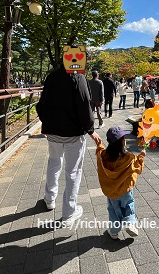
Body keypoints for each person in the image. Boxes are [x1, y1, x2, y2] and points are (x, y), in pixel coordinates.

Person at [36, 57, 102, 223]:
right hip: (73, 134)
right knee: (73, 171)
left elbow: (40, 104)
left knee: (54, 163)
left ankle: (50, 199)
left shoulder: (51, 77)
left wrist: (47, 122)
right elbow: (84, 105)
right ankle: (69, 212)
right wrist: (90, 130)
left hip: (53, 132)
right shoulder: (78, 77)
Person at [95, 126, 146, 239]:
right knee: (128, 206)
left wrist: (98, 144)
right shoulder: (128, 157)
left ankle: (113, 232)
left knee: (113, 210)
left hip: (111, 192)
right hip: (125, 190)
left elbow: (99, 151)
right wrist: (142, 155)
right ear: (123, 141)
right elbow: (138, 168)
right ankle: (129, 223)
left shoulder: (103, 156)